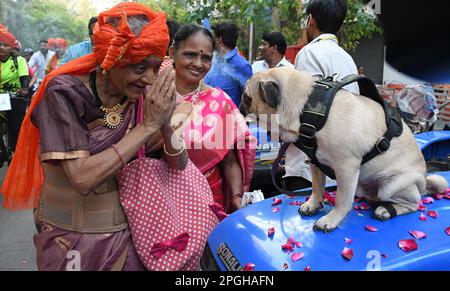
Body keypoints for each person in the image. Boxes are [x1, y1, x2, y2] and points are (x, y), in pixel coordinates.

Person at [1, 3, 188, 271]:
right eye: (138, 68)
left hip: (128, 236)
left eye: (155, 68)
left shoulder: (145, 94)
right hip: (69, 238)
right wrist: (147, 127)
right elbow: (82, 178)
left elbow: (179, 165)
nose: (149, 79)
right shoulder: (64, 93)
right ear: (108, 61)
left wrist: (166, 122)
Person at [168, 24, 256, 212]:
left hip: (210, 201)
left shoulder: (219, 101)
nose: (199, 64)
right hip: (163, 200)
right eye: (190, 55)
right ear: (172, 52)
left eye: (206, 58)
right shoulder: (153, 96)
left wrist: (236, 197)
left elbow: (230, 161)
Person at [283, 0, 359, 191]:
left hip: (309, 170)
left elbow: (304, 111)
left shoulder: (309, 53)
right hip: (339, 170)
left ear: (311, 20)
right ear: (340, 26)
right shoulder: (347, 58)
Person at [204, 22, 253, 106]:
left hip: (228, 117)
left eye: (214, 37)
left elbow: (249, 99)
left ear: (219, 39)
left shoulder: (242, 65)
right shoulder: (211, 58)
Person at [0, 25, 30, 159]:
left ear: (12, 48)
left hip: (15, 95)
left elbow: (24, 78)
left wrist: (24, 89)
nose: (1, 47)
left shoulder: (19, 61)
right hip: (1, 96)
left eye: (5, 45)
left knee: (15, 126)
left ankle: (17, 153)